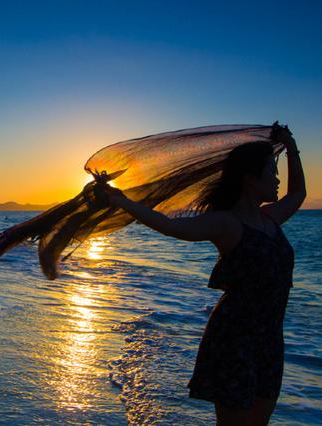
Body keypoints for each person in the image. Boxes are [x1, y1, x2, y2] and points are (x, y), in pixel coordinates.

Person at [101, 126, 305, 425]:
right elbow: (170, 226)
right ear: (249, 178)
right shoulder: (226, 223)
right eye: (271, 172)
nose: (277, 179)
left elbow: (298, 192)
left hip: (270, 337)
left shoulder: (270, 218)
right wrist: (121, 201)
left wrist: (291, 146)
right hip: (235, 337)